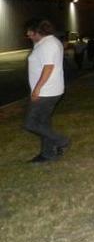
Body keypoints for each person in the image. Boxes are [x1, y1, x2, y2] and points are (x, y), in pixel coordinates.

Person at [23, 18, 70, 163]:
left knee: (31, 123)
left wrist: (37, 89)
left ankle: (62, 141)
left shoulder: (48, 44)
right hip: (50, 90)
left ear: (38, 31)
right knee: (43, 123)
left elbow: (48, 67)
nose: (27, 34)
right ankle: (48, 154)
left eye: (30, 32)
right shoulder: (45, 43)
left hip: (46, 91)